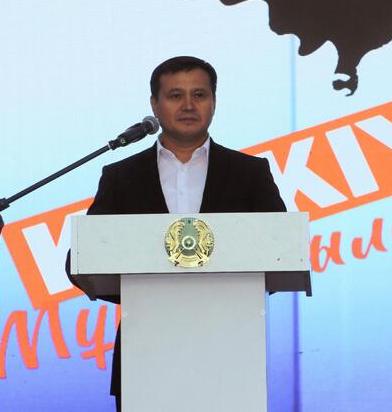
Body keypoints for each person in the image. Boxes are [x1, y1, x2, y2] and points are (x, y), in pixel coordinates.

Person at [70, 56, 286, 411]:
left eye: (199, 94)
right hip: (144, 357)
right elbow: (85, 257)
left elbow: (282, 249)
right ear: (154, 105)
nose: (188, 105)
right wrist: (143, 290)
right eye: (175, 96)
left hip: (231, 356)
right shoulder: (121, 177)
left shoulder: (249, 173)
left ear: (213, 102)